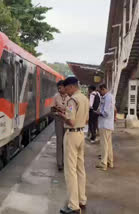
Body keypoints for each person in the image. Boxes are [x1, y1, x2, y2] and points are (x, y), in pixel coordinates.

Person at [58, 77, 89, 214]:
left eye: (66, 89)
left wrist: (61, 115)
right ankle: (82, 199)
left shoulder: (72, 100)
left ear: (71, 87)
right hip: (81, 134)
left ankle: (73, 205)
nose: (66, 92)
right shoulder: (84, 98)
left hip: (71, 135)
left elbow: (70, 121)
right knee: (80, 169)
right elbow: (86, 119)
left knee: (70, 171)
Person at [51, 80, 70, 171]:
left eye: (60, 88)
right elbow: (52, 110)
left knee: (66, 142)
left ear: (64, 87)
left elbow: (72, 109)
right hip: (58, 120)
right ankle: (59, 163)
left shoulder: (70, 97)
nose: (59, 90)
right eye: (58, 88)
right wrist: (56, 110)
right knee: (59, 141)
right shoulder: (56, 97)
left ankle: (66, 162)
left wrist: (65, 111)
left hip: (67, 120)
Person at [96, 84, 115, 171]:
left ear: (103, 89)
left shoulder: (107, 98)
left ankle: (103, 164)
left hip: (105, 124)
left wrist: (98, 113)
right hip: (108, 125)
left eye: (100, 91)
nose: (100, 93)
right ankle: (110, 162)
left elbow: (106, 112)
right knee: (109, 145)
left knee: (104, 145)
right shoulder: (110, 96)